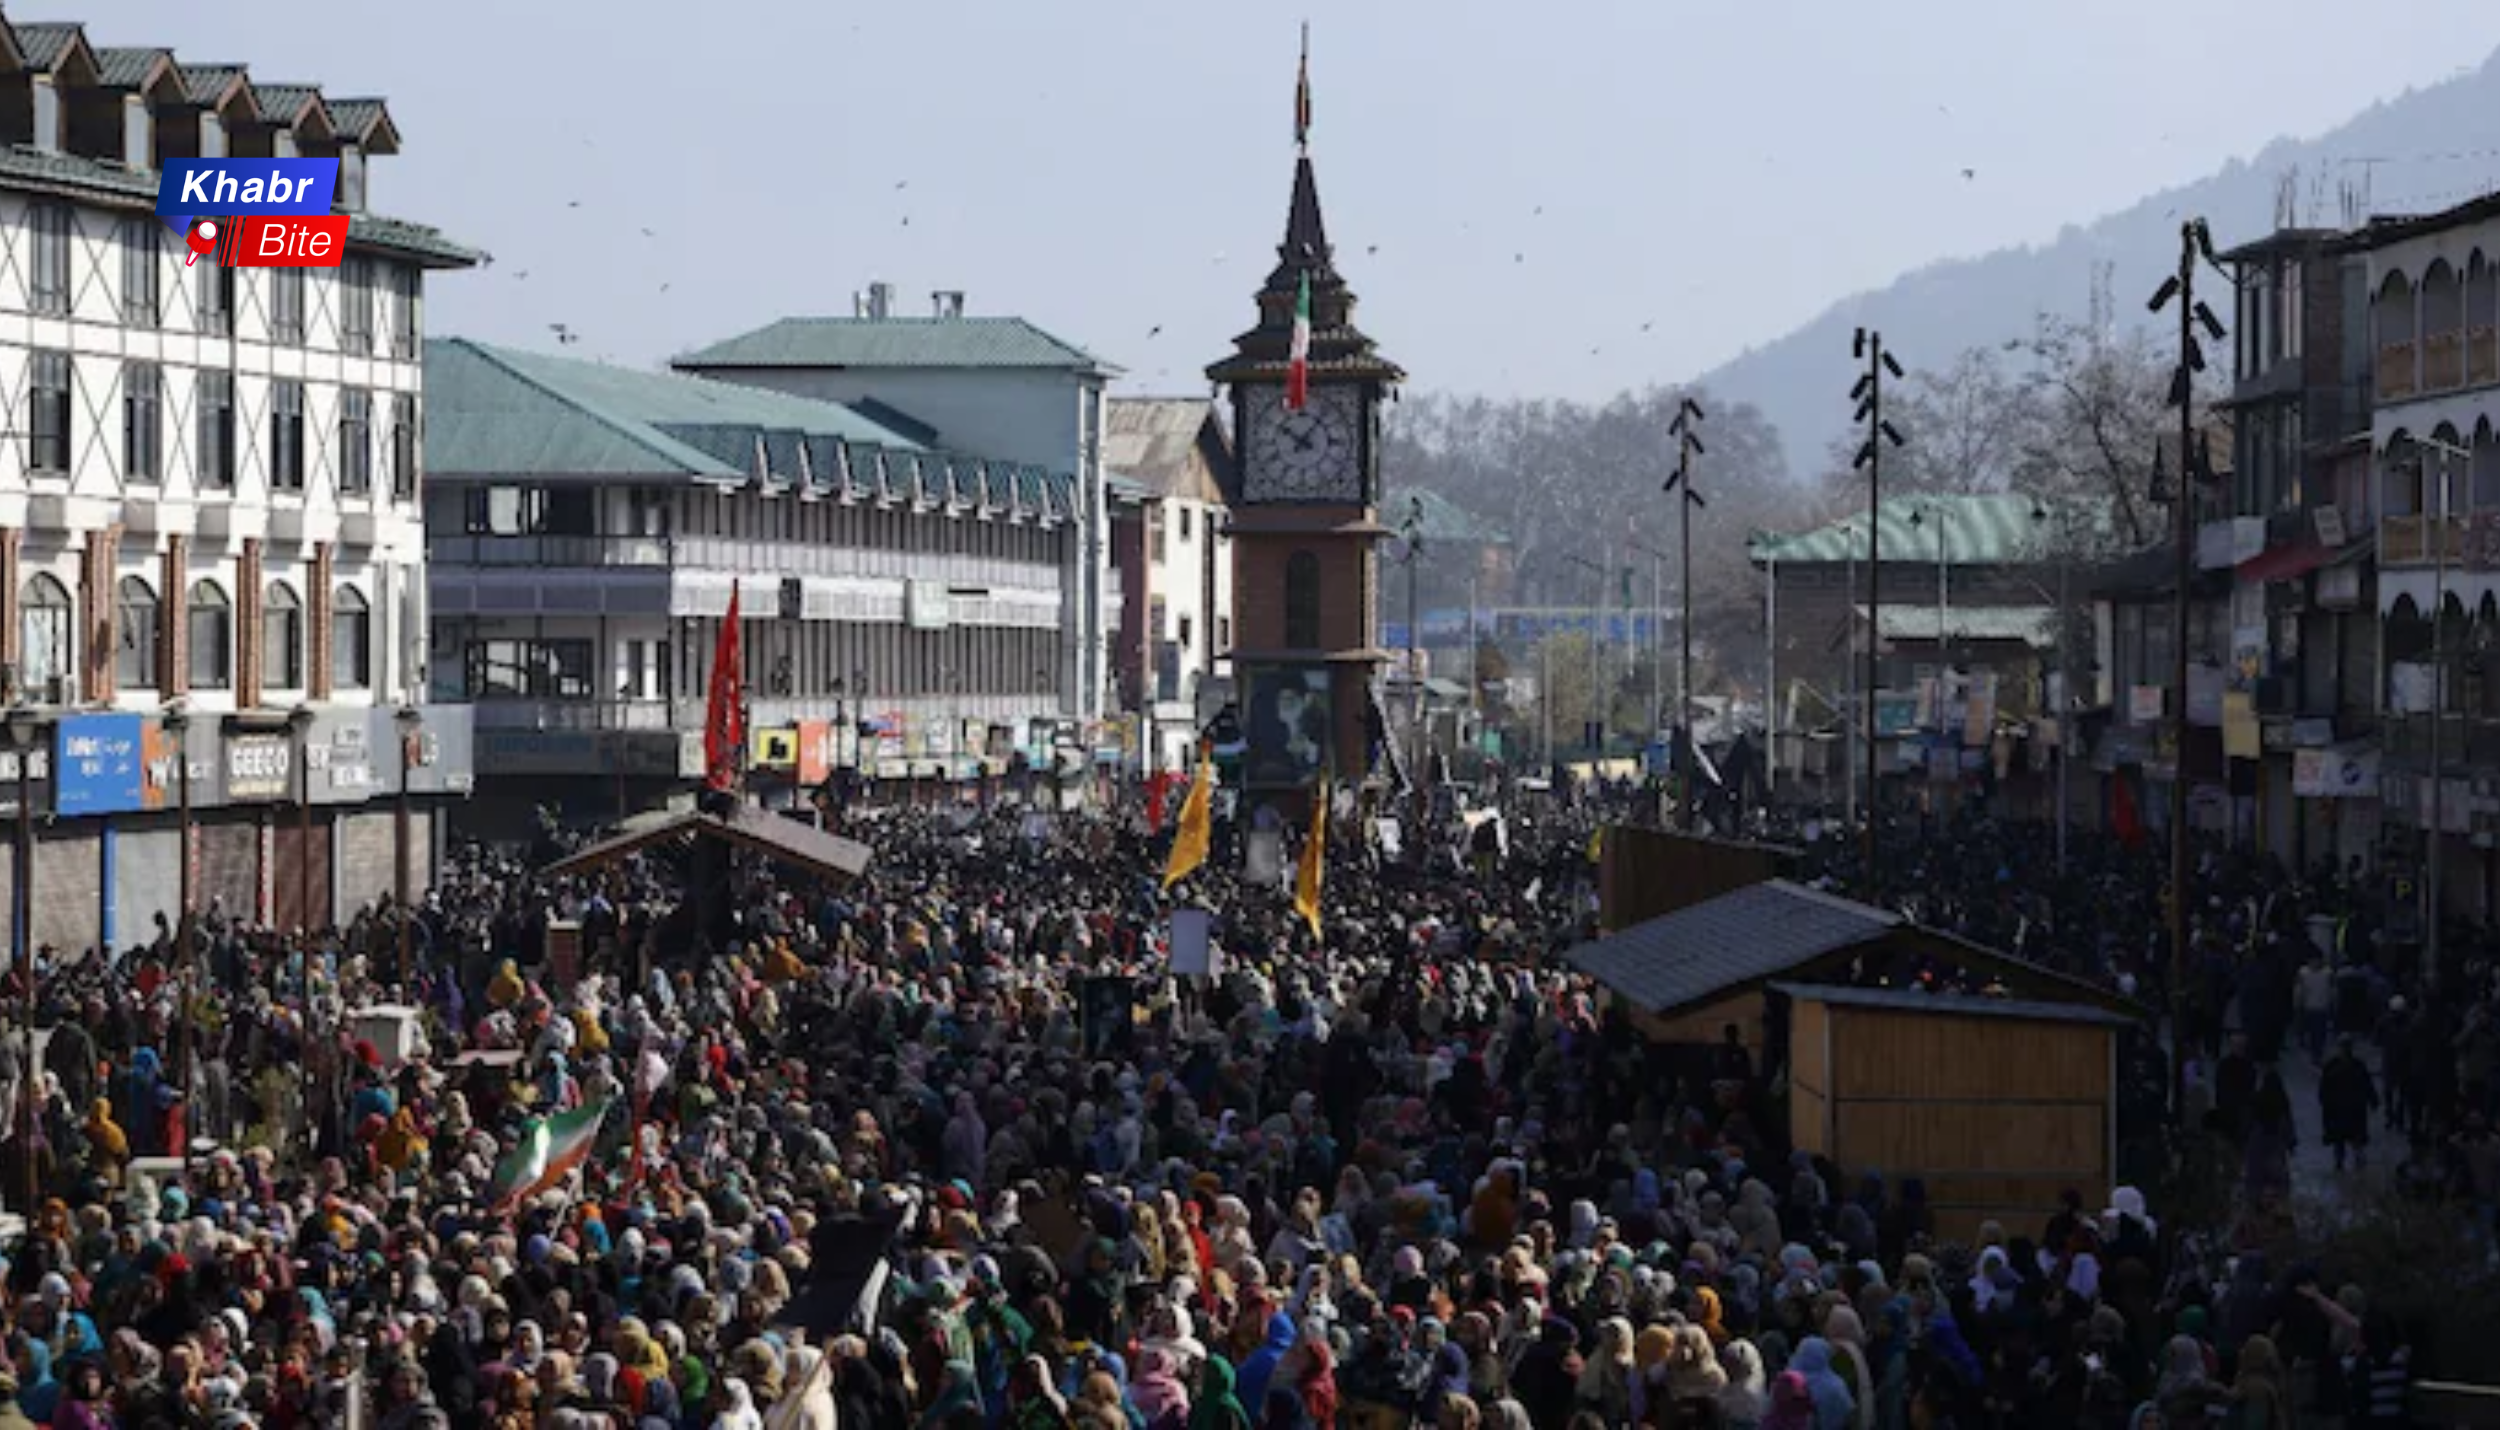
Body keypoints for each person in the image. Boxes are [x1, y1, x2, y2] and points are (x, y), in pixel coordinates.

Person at [2318, 1037, 2379, 1172]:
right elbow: (2324, 1087)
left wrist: (2373, 1099)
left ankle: (2355, 1159)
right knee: (2340, 1138)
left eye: (2347, 1046)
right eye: (2344, 1046)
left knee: (2353, 1137)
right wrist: (2325, 1101)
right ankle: (2341, 1161)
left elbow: (2367, 1083)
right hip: (2340, 1108)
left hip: (2353, 1107)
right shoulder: (2333, 1066)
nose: (2345, 1049)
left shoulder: (2356, 1065)